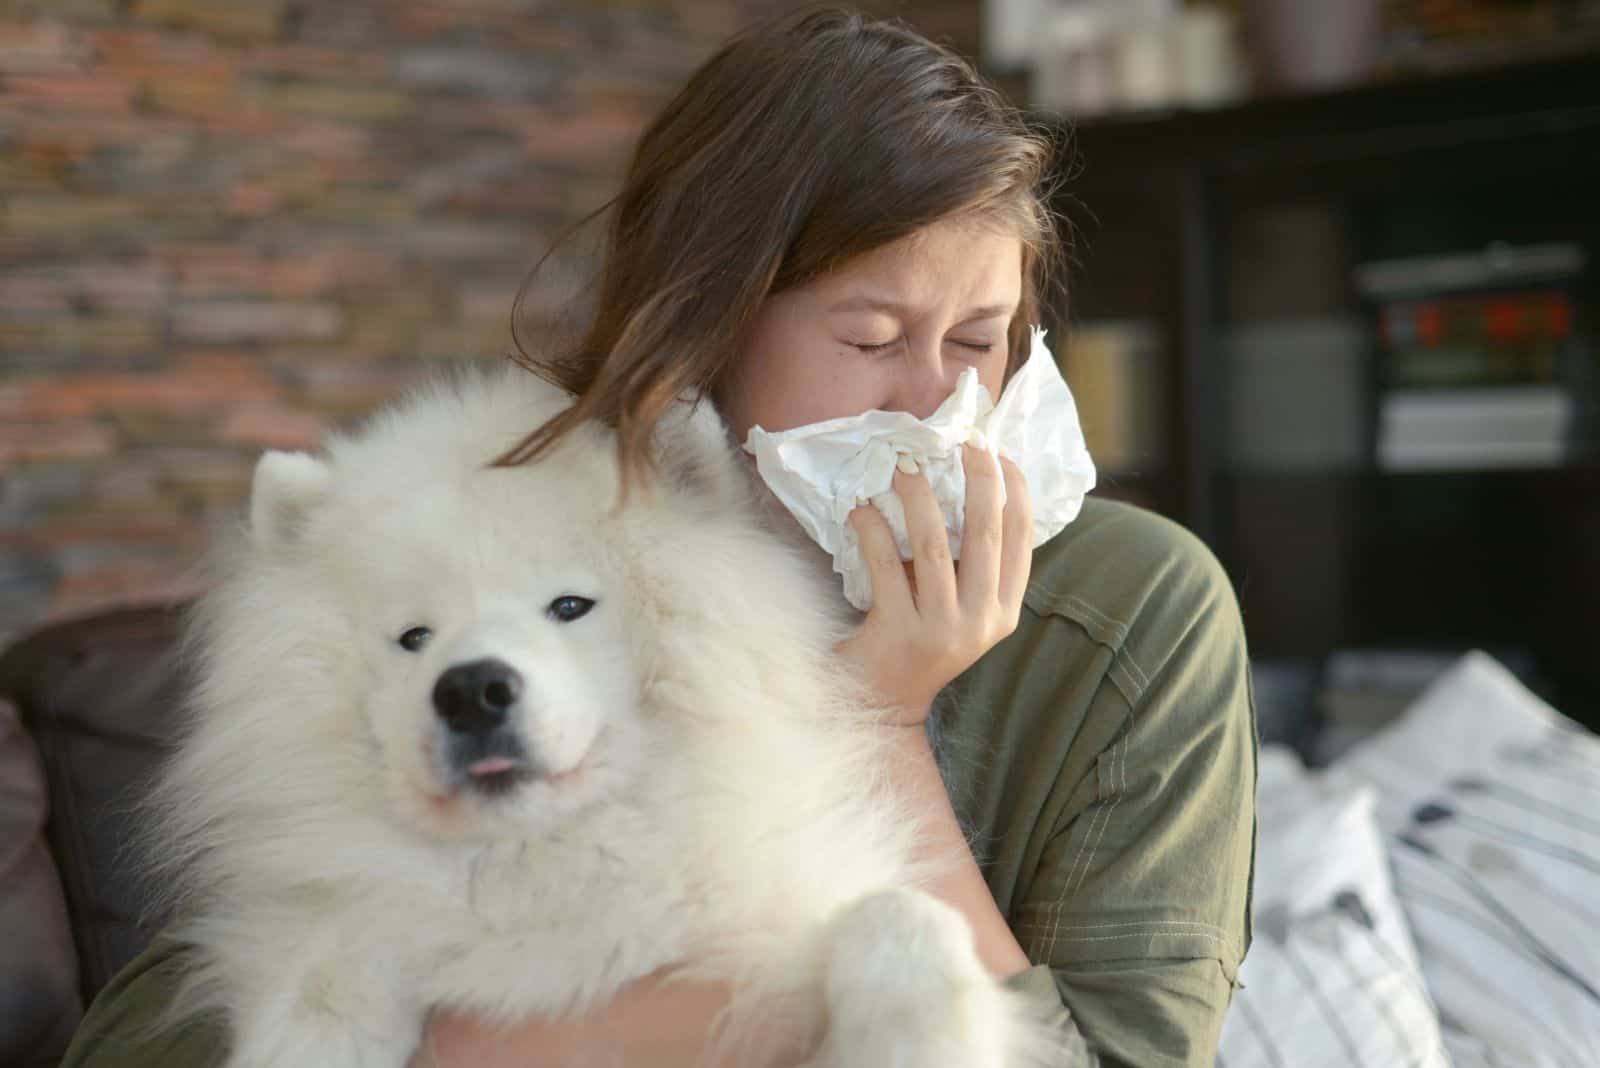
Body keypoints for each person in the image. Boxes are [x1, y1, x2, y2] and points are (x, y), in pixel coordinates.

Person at [62, 7, 1256, 1067]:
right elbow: (155, 1028)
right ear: (707, 329)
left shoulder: (1132, 609)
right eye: (870, 336)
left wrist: (876, 723)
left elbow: (1129, 1053)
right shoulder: (520, 539)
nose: (928, 403)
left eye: (976, 341)